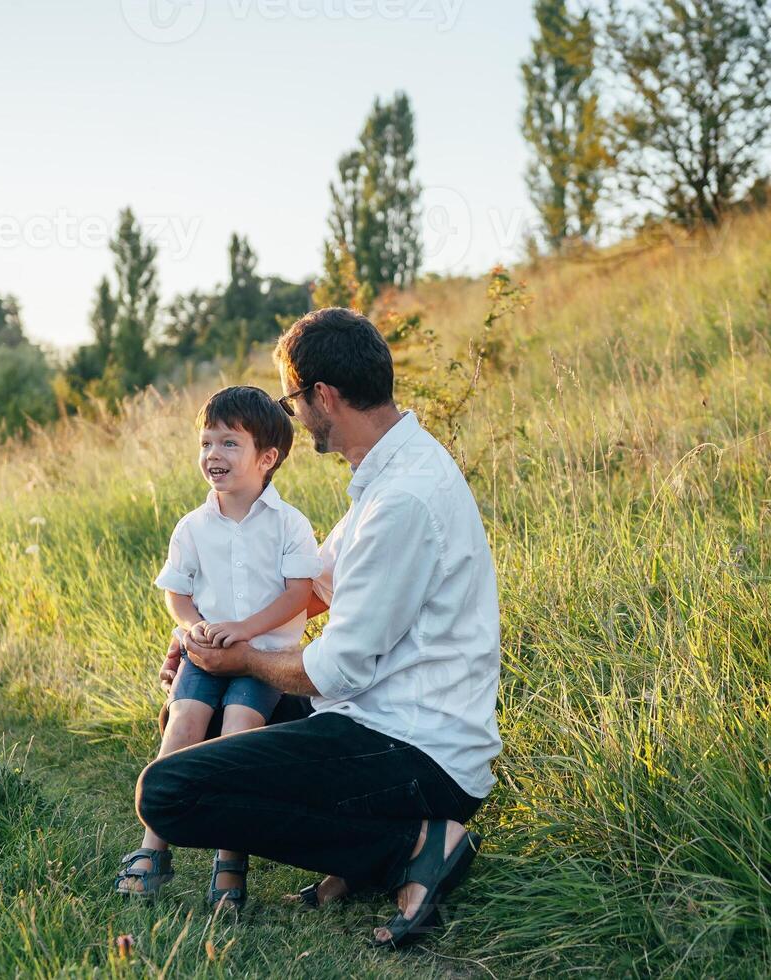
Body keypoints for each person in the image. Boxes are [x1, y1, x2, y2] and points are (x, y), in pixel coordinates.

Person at [137, 307, 502, 948]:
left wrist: (244, 660)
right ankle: (358, 860)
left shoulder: (402, 499)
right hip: (376, 722)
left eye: (293, 400)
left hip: (416, 752)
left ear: (323, 396)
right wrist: (206, 639)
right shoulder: (391, 473)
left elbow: (333, 670)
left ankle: (414, 845)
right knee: (201, 707)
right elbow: (317, 587)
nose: (296, 416)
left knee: (169, 792)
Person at [114, 385, 322, 912]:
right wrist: (190, 628)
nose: (213, 455)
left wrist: (247, 631)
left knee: (236, 739)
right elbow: (176, 591)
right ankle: (152, 847)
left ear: (267, 457)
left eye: (230, 443)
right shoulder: (193, 526)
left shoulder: (290, 524)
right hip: (206, 653)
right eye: (206, 443)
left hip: (262, 661)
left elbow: (298, 593)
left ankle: (231, 861)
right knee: (182, 722)